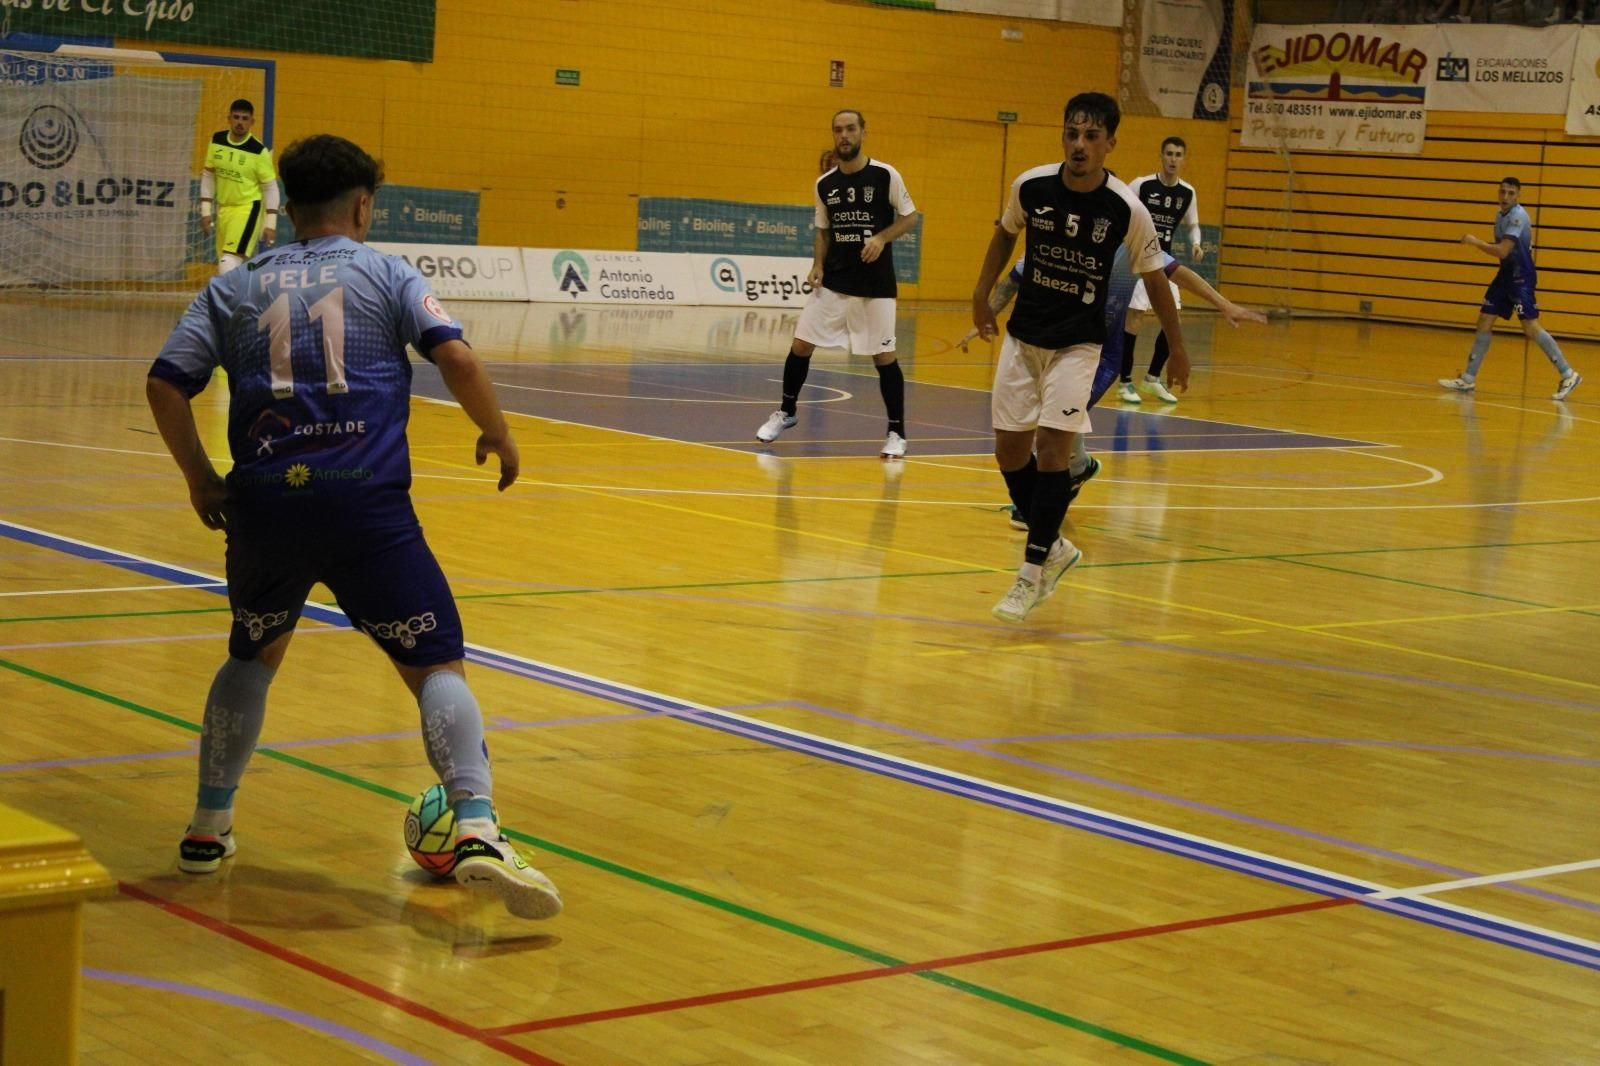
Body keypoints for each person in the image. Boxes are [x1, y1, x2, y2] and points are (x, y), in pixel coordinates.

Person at [146, 134, 561, 920]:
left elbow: (166, 383)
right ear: (364, 205)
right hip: (365, 504)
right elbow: (459, 361)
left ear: (285, 206)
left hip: (264, 506)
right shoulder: (386, 271)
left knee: (253, 650)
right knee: (436, 663)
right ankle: (475, 825)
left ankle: (207, 828)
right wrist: (498, 432)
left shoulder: (232, 289)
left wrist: (201, 477)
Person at [971, 92, 1189, 624]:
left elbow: (1157, 278)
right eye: (1072, 133)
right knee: (1008, 453)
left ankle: (1030, 573)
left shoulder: (1126, 208)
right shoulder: (1032, 185)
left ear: (1110, 143)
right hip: (1024, 340)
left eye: (1091, 136)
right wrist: (982, 295)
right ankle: (1057, 546)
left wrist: (1178, 348)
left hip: (1079, 345)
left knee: (1052, 452)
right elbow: (1004, 236)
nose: (1079, 145)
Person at [960, 248, 1266, 529]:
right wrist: (986, 314)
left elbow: (1176, 271)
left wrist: (1223, 304)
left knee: (1050, 428)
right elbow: (1015, 277)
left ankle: (1038, 504)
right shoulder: (1055, 234)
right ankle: (1077, 467)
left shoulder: (1127, 236)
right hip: (1059, 346)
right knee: (1047, 422)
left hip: (1101, 354)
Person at [755, 109, 921, 458]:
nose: (844, 136)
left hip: (875, 285)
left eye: (850, 129)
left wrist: (881, 238)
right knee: (801, 345)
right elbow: (822, 229)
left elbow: (910, 217)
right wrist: (817, 264)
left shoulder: (886, 175)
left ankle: (897, 433)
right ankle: (786, 412)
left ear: (863, 132)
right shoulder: (824, 184)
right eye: (838, 130)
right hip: (833, 281)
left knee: (884, 357)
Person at [1439, 176, 1581, 402]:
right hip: (1505, 275)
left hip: (1520, 278)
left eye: (1510, 193)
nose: (1505, 197)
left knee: (1530, 328)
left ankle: (1568, 373)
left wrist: (1475, 242)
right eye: (1502, 192)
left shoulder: (1517, 217)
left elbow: (1503, 251)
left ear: (1518, 195)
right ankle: (1468, 378)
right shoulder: (1500, 215)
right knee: (1485, 319)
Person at [1117, 136, 1203, 405]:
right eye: (1169, 153)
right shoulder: (1142, 185)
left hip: (1164, 262)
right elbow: (1120, 211)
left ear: (1184, 159)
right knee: (1134, 321)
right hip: (1138, 261)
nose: (1173, 159)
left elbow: (1193, 224)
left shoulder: (1187, 192)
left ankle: (1152, 379)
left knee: (1172, 322)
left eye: (1178, 154)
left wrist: (1197, 244)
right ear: (1161, 156)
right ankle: (1125, 382)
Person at [198, 99, 280, 274]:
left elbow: (271, 188)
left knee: (228, 260)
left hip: (247, 208)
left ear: (252, 122)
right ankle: (244, 297)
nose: (240, 122)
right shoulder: (217, 140)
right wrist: (205, 211)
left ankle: (225, 300)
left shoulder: (258, 151)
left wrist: (270, 223)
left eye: (245, 118)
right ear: (229, 119)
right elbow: (208, 175)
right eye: (236, 117)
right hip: (224, 209)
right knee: (229, 262)